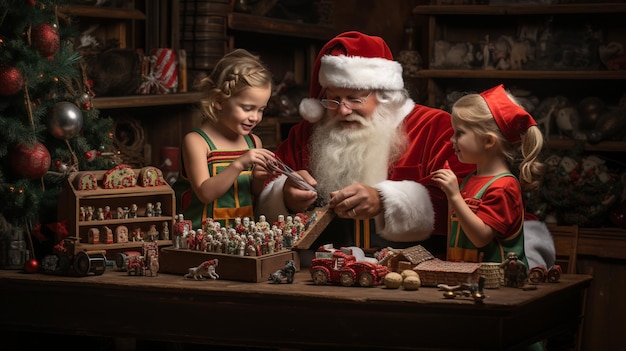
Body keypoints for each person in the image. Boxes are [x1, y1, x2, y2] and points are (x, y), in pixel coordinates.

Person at [254, 31, 476, 257]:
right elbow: (266, 181)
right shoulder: (309, 132)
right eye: (333, 99)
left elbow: (471, 200)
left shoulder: (434, 127)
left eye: (355, 98)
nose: (342, 110)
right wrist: (284, 195)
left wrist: (385, 201)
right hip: (317, 272)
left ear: (385, 94)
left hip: (412, 274)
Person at [431, 84, 545, 266]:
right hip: (466, 280)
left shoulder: (504, 186)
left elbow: (481, 237)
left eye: (459, 133)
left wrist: (454, 196)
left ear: (488, 141)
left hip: (497, 288)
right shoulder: (470, 180)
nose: (452, 140)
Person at [173, 48, 276, 230]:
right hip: (201, 235)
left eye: (260, 109)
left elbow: (250, 194)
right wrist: (238, 164)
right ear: (218, 101)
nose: (255, 117)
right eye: (247, 108)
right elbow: (205, 193)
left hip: (242, 235)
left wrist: (259, 180)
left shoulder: (253, 142)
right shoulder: (196, 141)